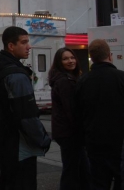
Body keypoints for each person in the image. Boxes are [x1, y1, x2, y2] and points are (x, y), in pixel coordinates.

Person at [0, 26, 51, 189]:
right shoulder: (17, 76)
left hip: (3, 138)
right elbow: (26, 115)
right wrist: (43, 139)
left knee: (8, 180)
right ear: (11, 46)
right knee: (23, 182)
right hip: (19, 141)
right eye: (24, 42)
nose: (29, 46)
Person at [75, 39, 124, 189]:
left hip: (94, 141)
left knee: (99, 182)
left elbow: (77, 113)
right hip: (119, 141)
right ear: (110, 56)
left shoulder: (83, 81)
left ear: (92, 58)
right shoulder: (121, 77)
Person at [48, 47, 89, 189]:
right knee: (72, 170)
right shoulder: (65, 81)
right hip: (69, 133)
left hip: (66, 132)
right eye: (65, 59)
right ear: (59, 62)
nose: (70, 61)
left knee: (80, 169)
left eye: (72, 58)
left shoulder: (65, 78)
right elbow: (71, 109)